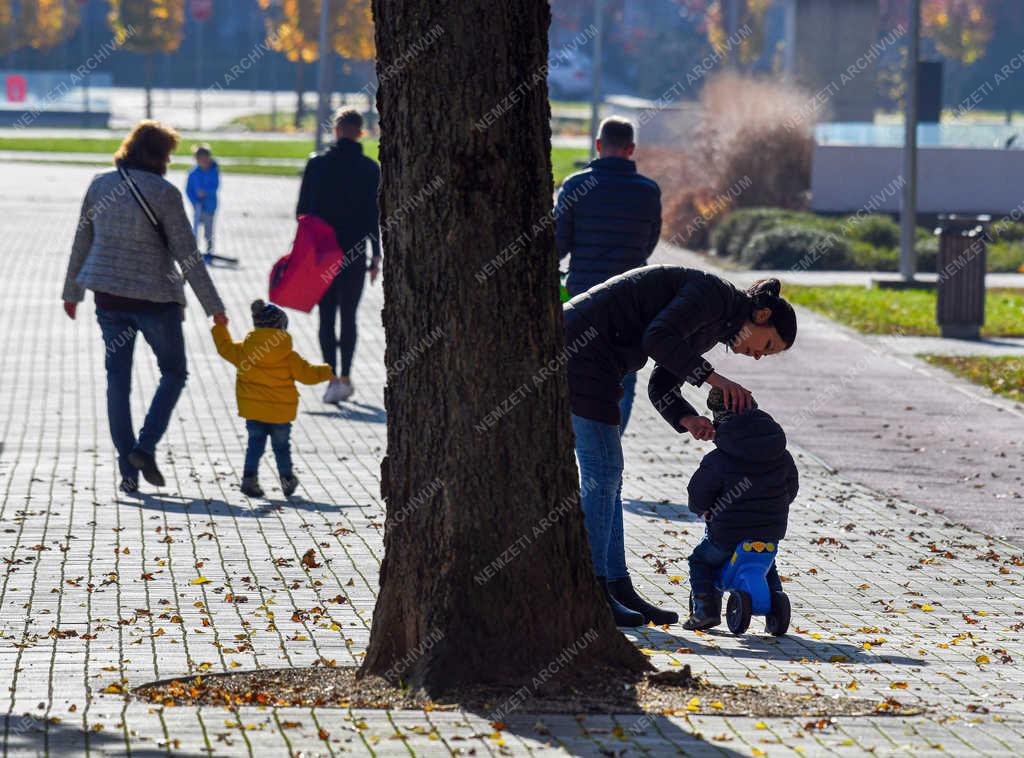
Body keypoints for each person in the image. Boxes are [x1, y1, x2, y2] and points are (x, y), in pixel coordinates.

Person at [564, 268, 797, 627]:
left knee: (610, 477)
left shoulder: (717, 322)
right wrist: (714, 379)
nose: (756, 357)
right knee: (603, 472)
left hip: (601, 365)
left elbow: (662, 381)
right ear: (761, 316)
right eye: (766, 346)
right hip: (581, 353)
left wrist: (687, 418)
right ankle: (591, 590)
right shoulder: (712, 296)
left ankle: (615, 584)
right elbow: (657, 338)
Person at [62, 120, 227, 493]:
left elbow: (81, 239)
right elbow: (188, 255)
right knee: (174, 372)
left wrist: (71, 293)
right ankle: (145, 446)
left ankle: (127, 470)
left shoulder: (100, 184)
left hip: (109, 298)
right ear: (160, 155)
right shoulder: (165, 192)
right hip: (156, 300)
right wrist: (213, 306)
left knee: (117, 382)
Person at [555, 116, 661, 433]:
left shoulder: (575, 186)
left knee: (579, 376)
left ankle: (582, 455)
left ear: (598, 145)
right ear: (631, 148)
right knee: (624, 378)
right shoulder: (648, 191)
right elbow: (650, 242)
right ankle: (612, 446)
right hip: (632, 303)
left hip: (583, 300)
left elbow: (557, 245)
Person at [683, 388, 798, 631]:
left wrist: (701, 509)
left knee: (700, 560)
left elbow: (699, 494)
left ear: (719, 419)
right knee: (768, 565)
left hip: (727, 535)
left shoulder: (719, 459)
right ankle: (775, 600)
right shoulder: (781, 455)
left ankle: (705, 609)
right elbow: (791, 489)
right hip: (770, 532)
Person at [296, 107, 381, 404]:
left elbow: (302, 212)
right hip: (354, 252)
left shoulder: (317, 165)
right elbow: (374, 216)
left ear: (335, 130)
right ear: (360, 132)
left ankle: (331, 378)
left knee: (326, 314)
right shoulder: (370, 169)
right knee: (349, 316)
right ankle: (346, 376)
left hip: (322, 252)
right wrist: (376, 255)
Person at [212, 300, 335, 498]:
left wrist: (220, 327)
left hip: (254, 412)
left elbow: (224, 347)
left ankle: (249, 478)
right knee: (281, 447)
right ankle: (286, 479)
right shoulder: (288, 356)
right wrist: (327, 371)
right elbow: (308, 374)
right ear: (282, 328)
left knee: (255, 445)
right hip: (280, 415)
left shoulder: (245, 351)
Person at [185, 143, 219, 263]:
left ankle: (209, 251)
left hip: (210, 206)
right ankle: (194, 252)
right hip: (198, 207)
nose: (204, 162)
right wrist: (194, 199)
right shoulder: (193, 173)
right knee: (195, 230)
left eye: (205, 159)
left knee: (208, 231)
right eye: (201, 160)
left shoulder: (213, 171)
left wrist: (205, 192)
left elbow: (215, 185)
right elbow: (188, 190)